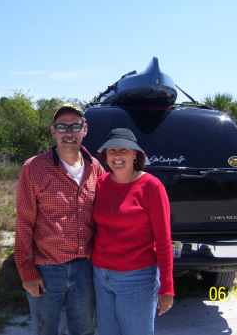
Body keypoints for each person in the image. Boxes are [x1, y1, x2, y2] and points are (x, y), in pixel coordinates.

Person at [14, 102, 104, 335]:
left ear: (85, 129)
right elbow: (23, 222)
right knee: (45, 330)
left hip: (85, 267)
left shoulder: (95, 168)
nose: (69, 133)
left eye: (75, 126)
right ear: (53, 131)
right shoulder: (34, 167)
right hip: (46, 267)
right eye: (62, 127)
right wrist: (28, 272)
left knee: (84, 330)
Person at [92, 127, 174, 335]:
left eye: (124, 150)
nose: (117, 156)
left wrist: (167, 287)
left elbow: (164, 241)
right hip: (101, 275)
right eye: (112, 151)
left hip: (137, 278)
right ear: (106, 156)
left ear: (135, 154)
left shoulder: (151, 187)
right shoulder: (100, 184)